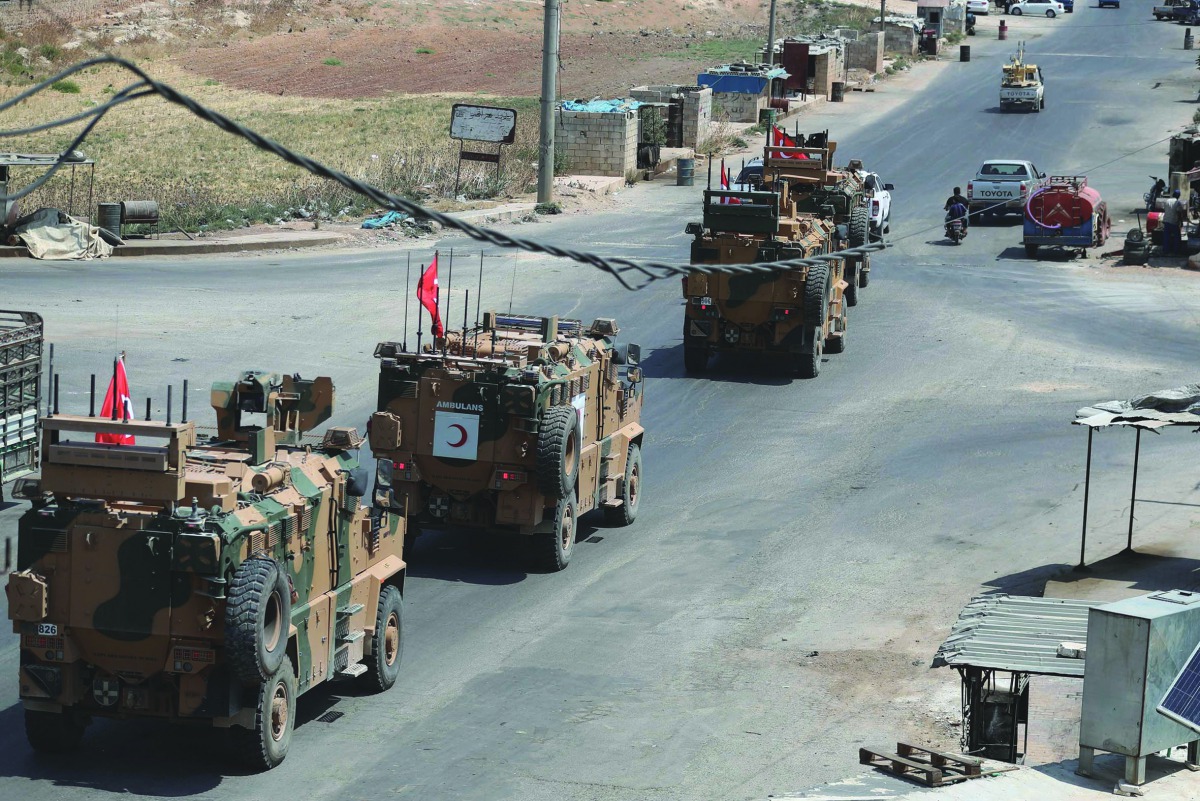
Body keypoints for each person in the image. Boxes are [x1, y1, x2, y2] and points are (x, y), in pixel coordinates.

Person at [1161, 189, 1188, 256]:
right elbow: (1179, 213)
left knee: (1166, 237)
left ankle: (1166, 250)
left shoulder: (1167, 201)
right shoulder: (1177, 202)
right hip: (1174, 222)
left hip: (1166, 221)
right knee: (1177, 237)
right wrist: (1181, 222)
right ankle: (1176, 251)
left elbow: (1165, 210)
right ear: (1178, 196)